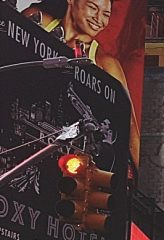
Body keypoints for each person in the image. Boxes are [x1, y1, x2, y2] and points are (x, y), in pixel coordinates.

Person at [22, 0, 141, 164]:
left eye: (106, 14)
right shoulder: (37, 20)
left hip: (67, 156)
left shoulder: (105, 63)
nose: (99, 19)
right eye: (93, 8)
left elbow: (129, 127)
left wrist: (141, 183)